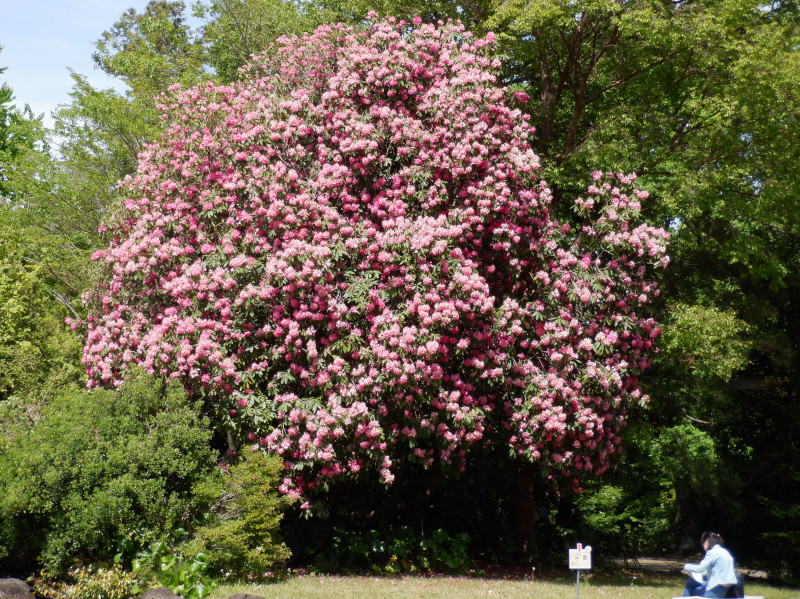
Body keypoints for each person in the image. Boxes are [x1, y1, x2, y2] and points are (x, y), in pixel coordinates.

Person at [682, 532, 740, 598]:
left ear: (707, 541)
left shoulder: (712, 552)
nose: (702, 545)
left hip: (716, 587)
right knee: (690, 583)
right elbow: (712, 571)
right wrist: (692, 573)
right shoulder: (724, 551)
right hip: (726, 586)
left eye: (703, 542)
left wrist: (685, 566)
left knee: (690, 586)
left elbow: (699, 568)